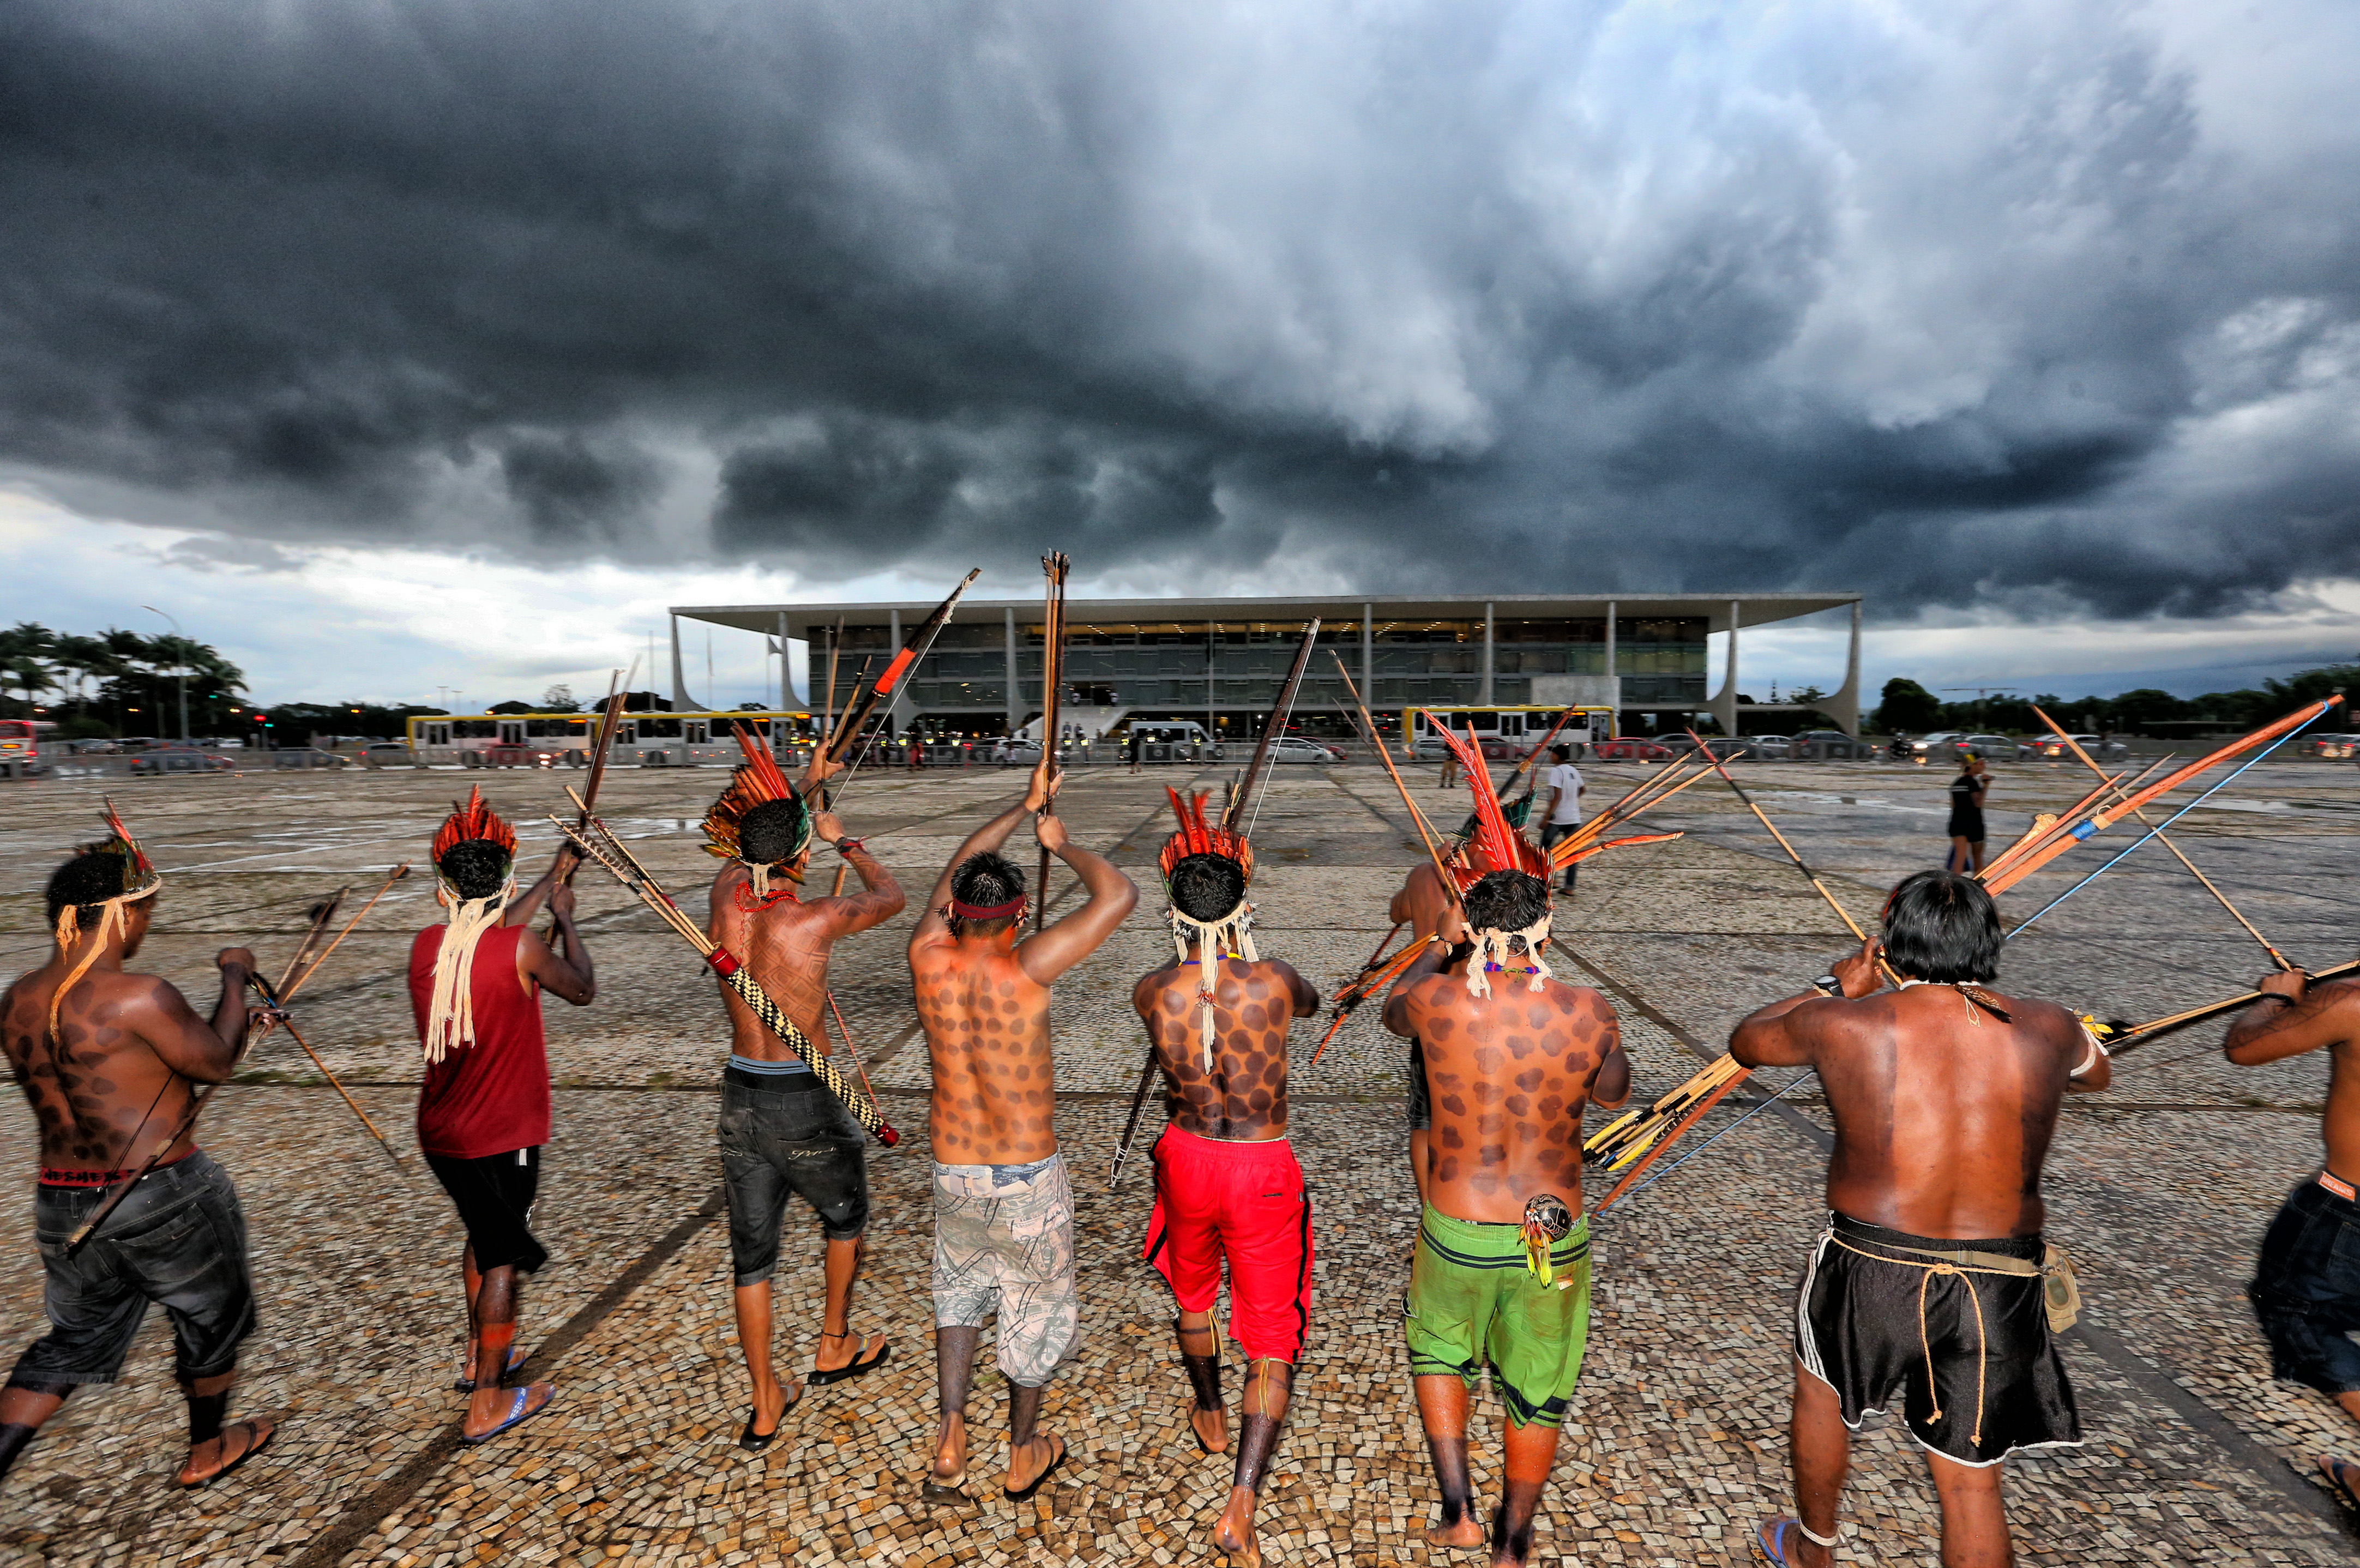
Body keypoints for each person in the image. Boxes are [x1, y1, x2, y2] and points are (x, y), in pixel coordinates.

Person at [1729, 869, 2108, 1567]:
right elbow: (2096, 1070)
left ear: (1889, 944)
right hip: (1997, 1274)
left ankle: (1814, 1552)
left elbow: (1747, 1040)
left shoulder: (1841, 1023)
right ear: (1986, 940)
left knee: (1822, 1396)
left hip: (1870, 1262)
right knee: (1970, 1482)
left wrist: (1831, 986)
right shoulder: (2050, 1025)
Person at [1, 806, 274, 1490]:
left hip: (65, 1201)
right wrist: (236, 978)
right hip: (162, 1192)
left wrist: (232, 1026)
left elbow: (116, 1074)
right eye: (144, 911)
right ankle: (207, 1449)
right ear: (118, 914)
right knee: (211, 1319)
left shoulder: (16, 1000)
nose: (147, 925)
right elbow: (212, 1062)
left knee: (72, 1341)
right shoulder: (139, 993)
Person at [1384, 865, 1628, 1566]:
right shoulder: (1589, 1007)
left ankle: (1457, 1511)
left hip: (1456, 1217)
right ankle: (1512, 1540)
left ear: (1471, 928)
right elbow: (1612, 1093)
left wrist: (1437, 943)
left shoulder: (1434, 998)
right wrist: (1592, 1036)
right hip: (1548, 1227)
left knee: (1438, 1347)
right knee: (1540, 1380)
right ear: (1544, 927)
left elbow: (1392, 1010)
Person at [910, 760, 1137, 1505]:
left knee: (959, 1292)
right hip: (1025, 1171)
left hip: (954, 1168)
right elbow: (1120, 894)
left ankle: (950, 1429)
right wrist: (1061, 840)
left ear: (954, 914)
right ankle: (1021, 1449)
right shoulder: (1029, 966)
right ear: (1018, 915)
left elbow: (955, 871)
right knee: (1033, 1308)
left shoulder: (927, 957)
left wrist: (1018, 806)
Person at [701, 733, 905, 1450]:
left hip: (740, 1094)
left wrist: (807, 788)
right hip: (805, 1095)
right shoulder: (815, 917)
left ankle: (764, 1402)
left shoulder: (723, 894)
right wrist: (844, 841)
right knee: (844, 1218)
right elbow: (893, 897)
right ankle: (834, 1341)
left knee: (751, 1255)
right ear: (800, 858)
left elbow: (757, 840)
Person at [1132, 788, 1320, 1566]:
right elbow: (1307, 1003)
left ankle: (1208, 1409)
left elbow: (1188, 1006)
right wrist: (1247, 948)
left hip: (1185, 1156)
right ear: (1242, 904)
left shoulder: (1151, 990)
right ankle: (1240, 1500)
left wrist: (1207, 961)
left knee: (1192, 1288)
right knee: (1273, 1332)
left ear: (1173, 911)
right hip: (1260, 1167)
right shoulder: (1274, 979)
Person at [408, 787, 597, 1444]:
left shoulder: (428, 945)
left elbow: (491, 929)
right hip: (504, 1135)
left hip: (441, 1133)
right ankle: (487, 1398)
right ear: (506, 883)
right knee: (502, 1259)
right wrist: (567, 916)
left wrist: (550, 876)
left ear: (443, 891)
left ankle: (478, 1352)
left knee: (482, 1233)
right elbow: (581, 988)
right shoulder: (521, 949)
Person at [2219, 964, 2360, 1504]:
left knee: (2296, 1313)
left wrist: (2276, 998)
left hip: (2348, 1206)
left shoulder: (2347, 999)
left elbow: (2246, 1047)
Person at [1536, 743, 1586, 896]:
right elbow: (1583, 789)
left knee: (1545, 850)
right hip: (1574, 817)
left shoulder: (1555, 771)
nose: (1551, 756)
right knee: (1573, 853)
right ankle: (1569, 886)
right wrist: (1571, 801)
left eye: (1553, 754)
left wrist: (1546, 817)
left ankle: (1551, 880)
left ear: (1558, 756)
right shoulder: (1573, 770)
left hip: (1558, 819)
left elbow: (1557, 797)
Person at [1946, 752, 1990, 873]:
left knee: (1959, 859)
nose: (1984, 766)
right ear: (1972, 766)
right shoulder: (1972, 783)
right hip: (1973, 824)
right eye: (1981, 764)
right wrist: (1986, 785)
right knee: (1978, 859)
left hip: (1957, 822)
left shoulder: (1956, 784)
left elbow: (1954, 805)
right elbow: (1978, 803)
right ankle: (1980, 888)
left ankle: (1954, 887)